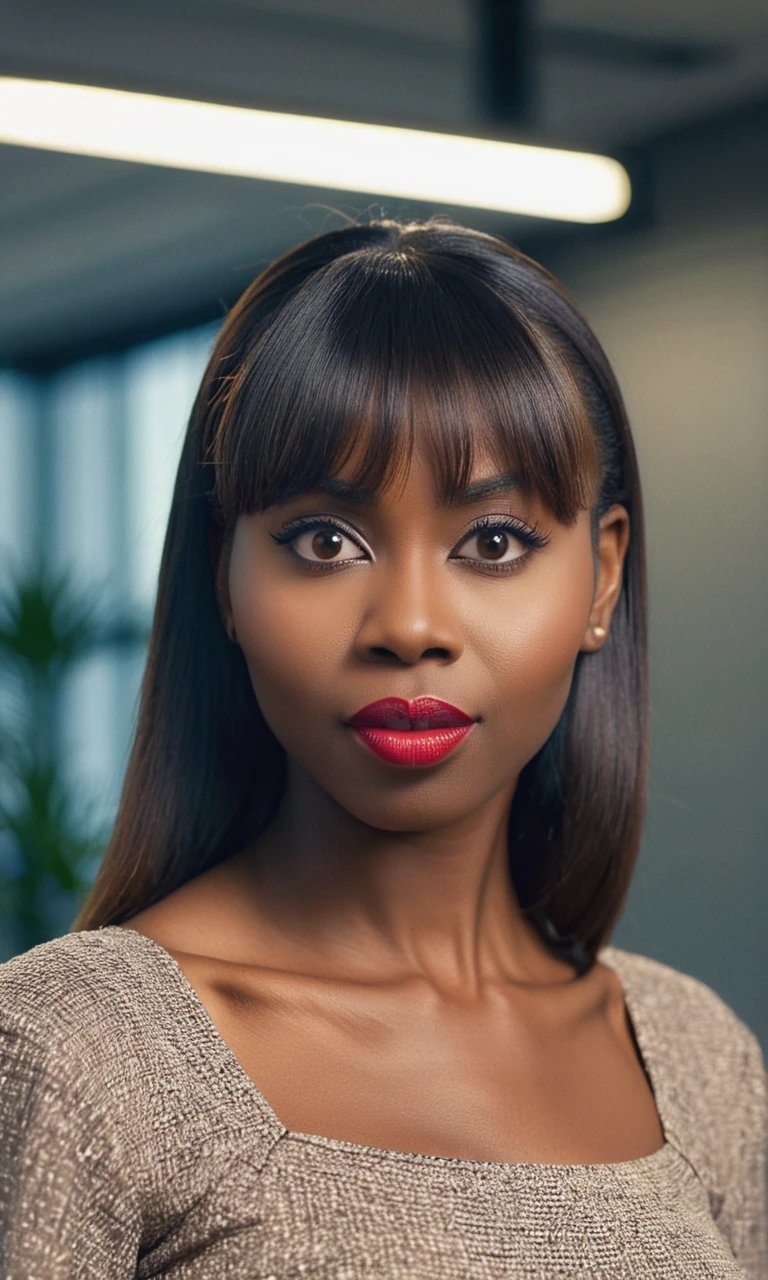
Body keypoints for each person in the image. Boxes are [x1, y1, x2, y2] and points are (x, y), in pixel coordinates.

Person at [0, 216, 765, 1279]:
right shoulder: (77, 1051)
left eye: (492, 543)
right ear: (225, 572)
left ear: (600, 577)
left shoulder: (699, 1061)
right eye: (326, 541)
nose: (409, 622)